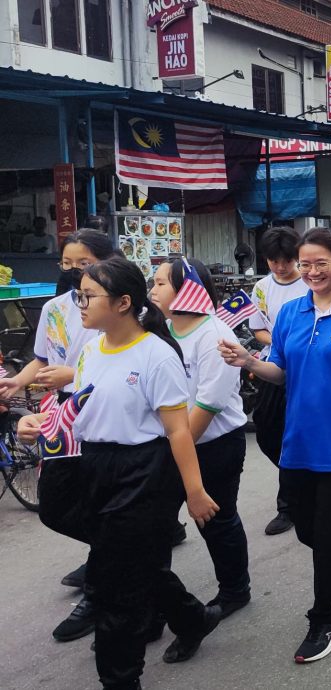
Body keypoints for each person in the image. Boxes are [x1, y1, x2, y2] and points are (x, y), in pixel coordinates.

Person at [22, 257, 223, 688]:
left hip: (143, 472)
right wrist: (36, 425)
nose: (79, 304)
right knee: (131, 561)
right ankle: (192, 617)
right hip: (94, 466)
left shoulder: (156, 355)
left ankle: (120, 678)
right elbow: (83, 405)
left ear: (123, 303)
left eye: (88, 296)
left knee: (116, 586)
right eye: (80, 295)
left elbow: (178, 431)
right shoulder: (92, 350)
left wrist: (194, 490)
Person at [218, 229, 331, 663]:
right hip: (297, 442)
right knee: (307, 529)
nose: (313, 271)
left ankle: (325, 619)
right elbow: (280, 371)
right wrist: (248, 362)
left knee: (329, 534)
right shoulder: (291, 313)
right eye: (306, 264)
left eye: (322, 262)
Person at [0, 230, 118, 642]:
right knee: (55, 504)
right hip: (61, 413)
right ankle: (117, 554)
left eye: (82, 263)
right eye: (66, 264)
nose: (72, 272)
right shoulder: (53, 309)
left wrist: (76, 375)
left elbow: (126, 360)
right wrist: (15, 384)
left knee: (99, 498)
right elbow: (43, 359)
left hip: (104, 409)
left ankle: (102, 584)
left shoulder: (120, 307)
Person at [148, 259, 251, 640]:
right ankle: (155, 605)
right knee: (155, 525)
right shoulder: (157, 331)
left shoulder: (215, 336)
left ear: (186, 289)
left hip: (213, 445)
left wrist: (172, 451)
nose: (153, 290)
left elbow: (208, 405)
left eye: (161, 284)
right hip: (169, 445)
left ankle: (235, 590)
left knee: (216, 520)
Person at [248, 228, 308, 536]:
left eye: (286, 260)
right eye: (274, 260)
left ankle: (289, 505)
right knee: (267, 429)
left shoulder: (309, 285)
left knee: (295, 433)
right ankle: (299, 482)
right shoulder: (261, 287)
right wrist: (281, 342)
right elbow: (258, 329)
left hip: (307, 368)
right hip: (274, 365)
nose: (281, 267)